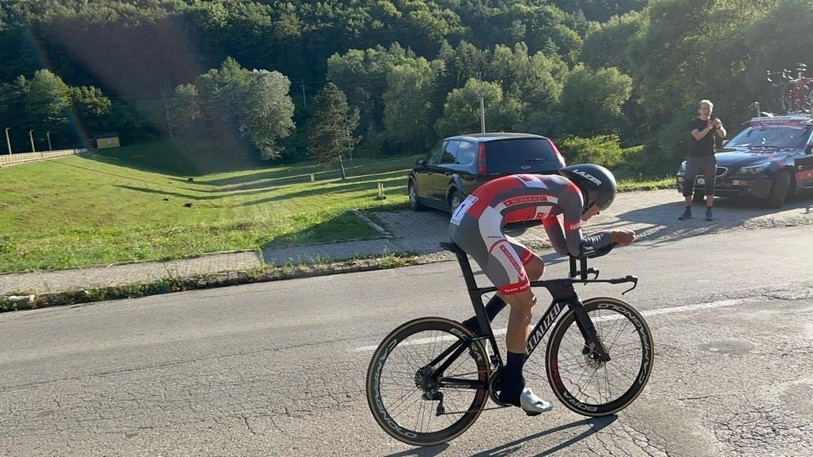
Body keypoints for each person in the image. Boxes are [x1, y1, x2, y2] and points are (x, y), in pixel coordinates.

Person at [449, 164, 635, 415]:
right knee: (524, 303)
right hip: (480, 224)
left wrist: (606, 240)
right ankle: (514, 386)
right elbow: (578, 248)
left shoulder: (557, 194)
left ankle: (481, 321)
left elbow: (563, 247)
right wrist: (612, 235)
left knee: (535, 267)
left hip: (470, 220)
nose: (596, 215)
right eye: (599, 210)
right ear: (592, 197)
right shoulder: (572, 194)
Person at [680, 99, 726, 221]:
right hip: (694, 157)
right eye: (704, 108)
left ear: (711, 110)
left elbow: (723, 135)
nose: (706, 111)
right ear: (699, 110)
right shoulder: (694, 122)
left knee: (710, 183)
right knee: (688, 182)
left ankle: (709, 211)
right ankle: (688, 210)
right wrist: (708, 127)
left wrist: (718, 126)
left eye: (708, 108)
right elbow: (698, 136)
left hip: (709, 157)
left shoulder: (714, 121)